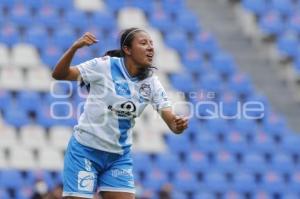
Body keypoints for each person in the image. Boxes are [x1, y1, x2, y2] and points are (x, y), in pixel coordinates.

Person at [52, 27, 188, 199]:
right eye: (144, 43)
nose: (151, 47)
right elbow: (59, 74)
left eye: (152, 44)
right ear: (127, 49)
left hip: (118, 157)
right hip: (85, 151)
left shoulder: (151, 83)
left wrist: (178, 124)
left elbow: (172, 122)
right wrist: (74, 48)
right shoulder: (104, 66)